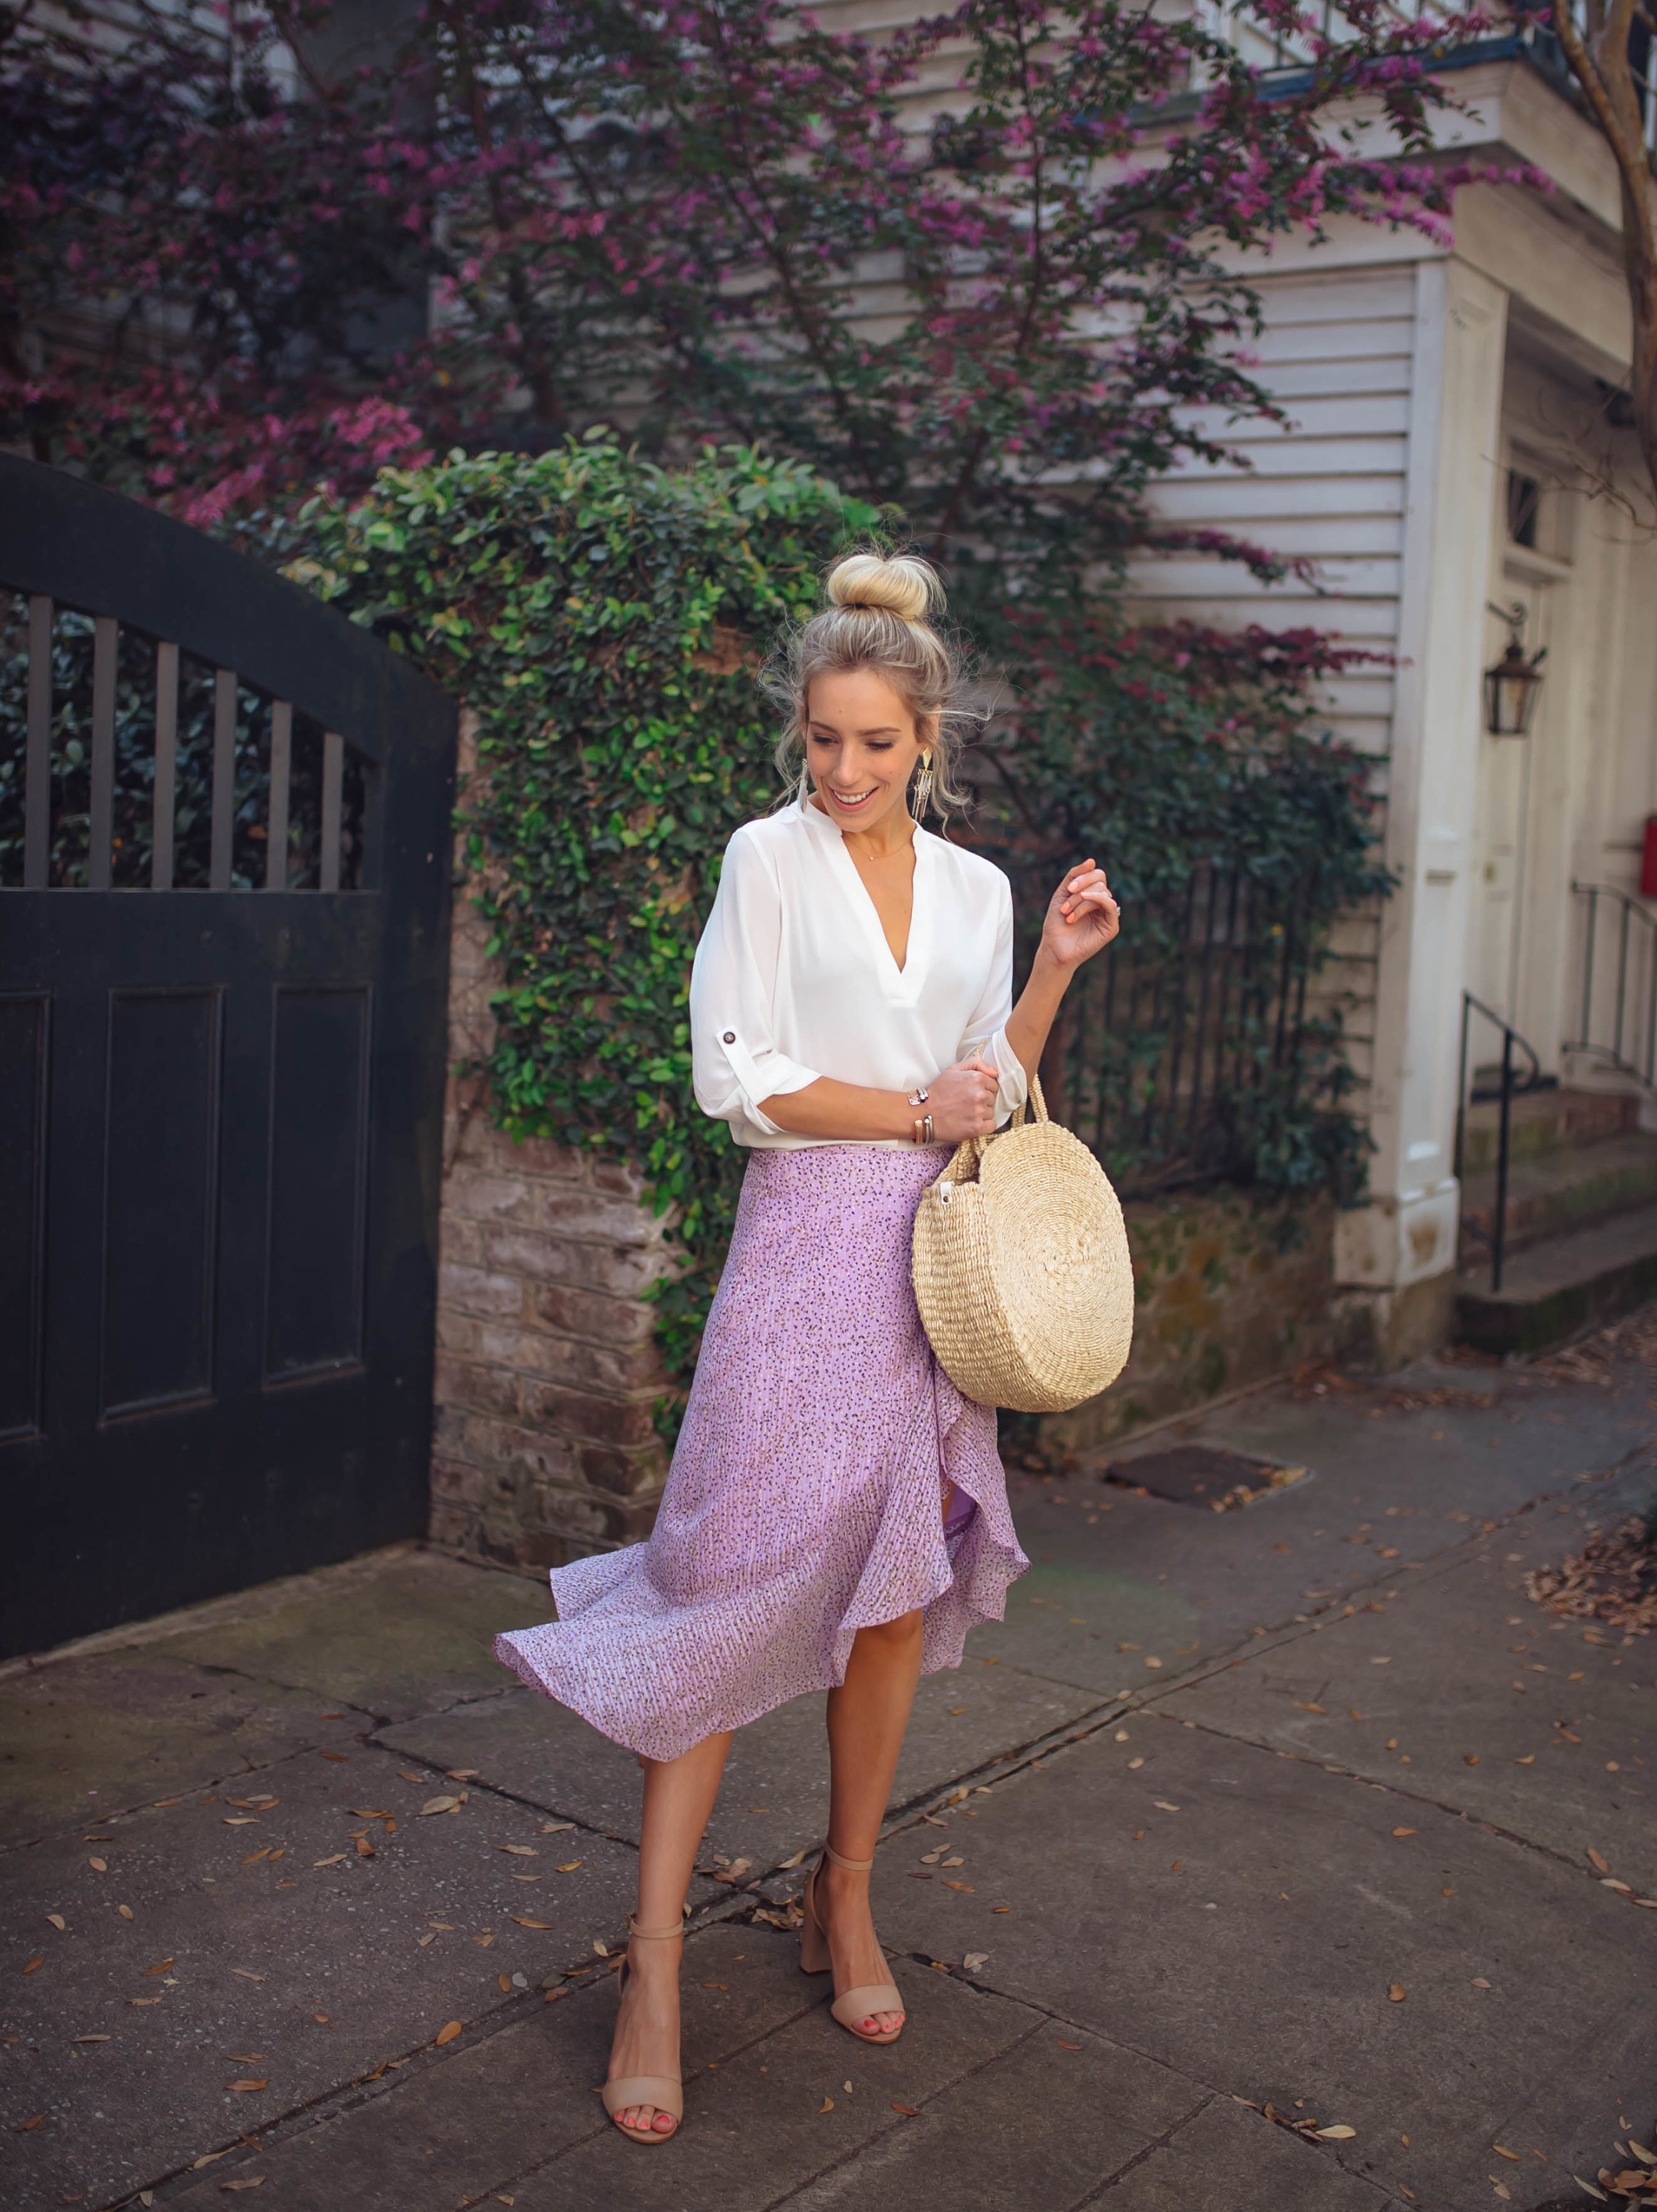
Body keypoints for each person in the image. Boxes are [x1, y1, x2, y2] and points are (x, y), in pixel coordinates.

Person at [495, 550, 1121, 2144]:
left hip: (932, 1269)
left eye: (875, 745)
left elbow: (991, 1090)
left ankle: (842, 1900)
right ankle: (650, 1970)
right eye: (821, 739)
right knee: (720, 1593)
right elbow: (739, 1079)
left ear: (928, 740)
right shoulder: (765, 861)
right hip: (802, 1261)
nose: (842, 772)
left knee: (894, 1602)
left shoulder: (980, 891)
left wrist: (1049, 971)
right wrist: (912, 1107)